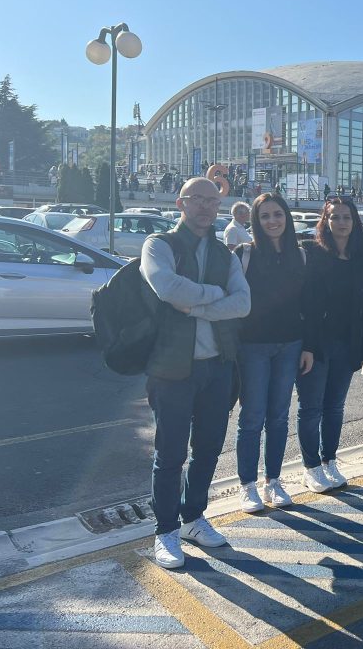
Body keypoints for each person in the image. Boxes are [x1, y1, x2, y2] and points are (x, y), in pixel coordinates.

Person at [139, 177, 251, 569]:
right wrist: (216, 296)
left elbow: (243, 303)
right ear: (180, 203)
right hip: (171, 367)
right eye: (197, 199)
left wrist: (196, 305)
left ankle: (192, 518)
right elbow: (167, 288)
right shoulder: (159, 245)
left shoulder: (225, 254)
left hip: (218, 366)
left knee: (207, 449)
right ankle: (166, 530)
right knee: (170, 453)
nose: (205, 206)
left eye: (212, 200)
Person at [233, 193, 312, 512]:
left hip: (290, 345)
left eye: (277, 214)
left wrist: (308, 346)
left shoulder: (300, 255)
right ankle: (247, 485)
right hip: (252, 346)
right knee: (252, 417)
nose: (272, 221)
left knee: (279, 416)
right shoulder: (244, 254)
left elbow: (308, 304)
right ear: (255, 221)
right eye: (264, 216)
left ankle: (273, 481)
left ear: (287, 217)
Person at [297, 195, 363, 491]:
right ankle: (311, 467)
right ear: (325, 221)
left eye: (346, 217)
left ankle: (329, 459)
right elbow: (303, 303)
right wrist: (306, 344)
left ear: (354, 222)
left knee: (335, 407)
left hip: (347, 343)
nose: (341, 222)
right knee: (311, 407)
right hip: (315, 343)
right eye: (335, 217)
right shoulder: (312, 253)